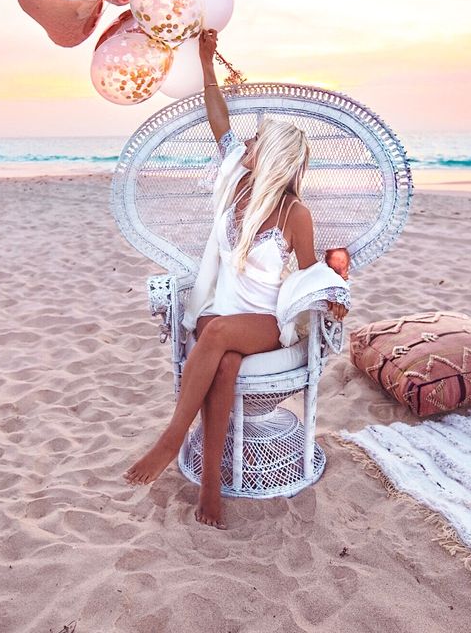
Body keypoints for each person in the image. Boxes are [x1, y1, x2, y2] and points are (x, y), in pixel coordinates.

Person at [123, 28, 350, 530]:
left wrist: (335, 281)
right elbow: (218, 119)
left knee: (222, 334)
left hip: (266, 321)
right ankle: (210, 487)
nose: (245, 143)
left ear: (273, 157)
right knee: (222, 361)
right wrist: (206, 62)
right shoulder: (235, 183)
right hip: (220, 311)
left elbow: (309, 274)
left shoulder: (296, 213)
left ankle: (170, 440)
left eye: (257, 142)